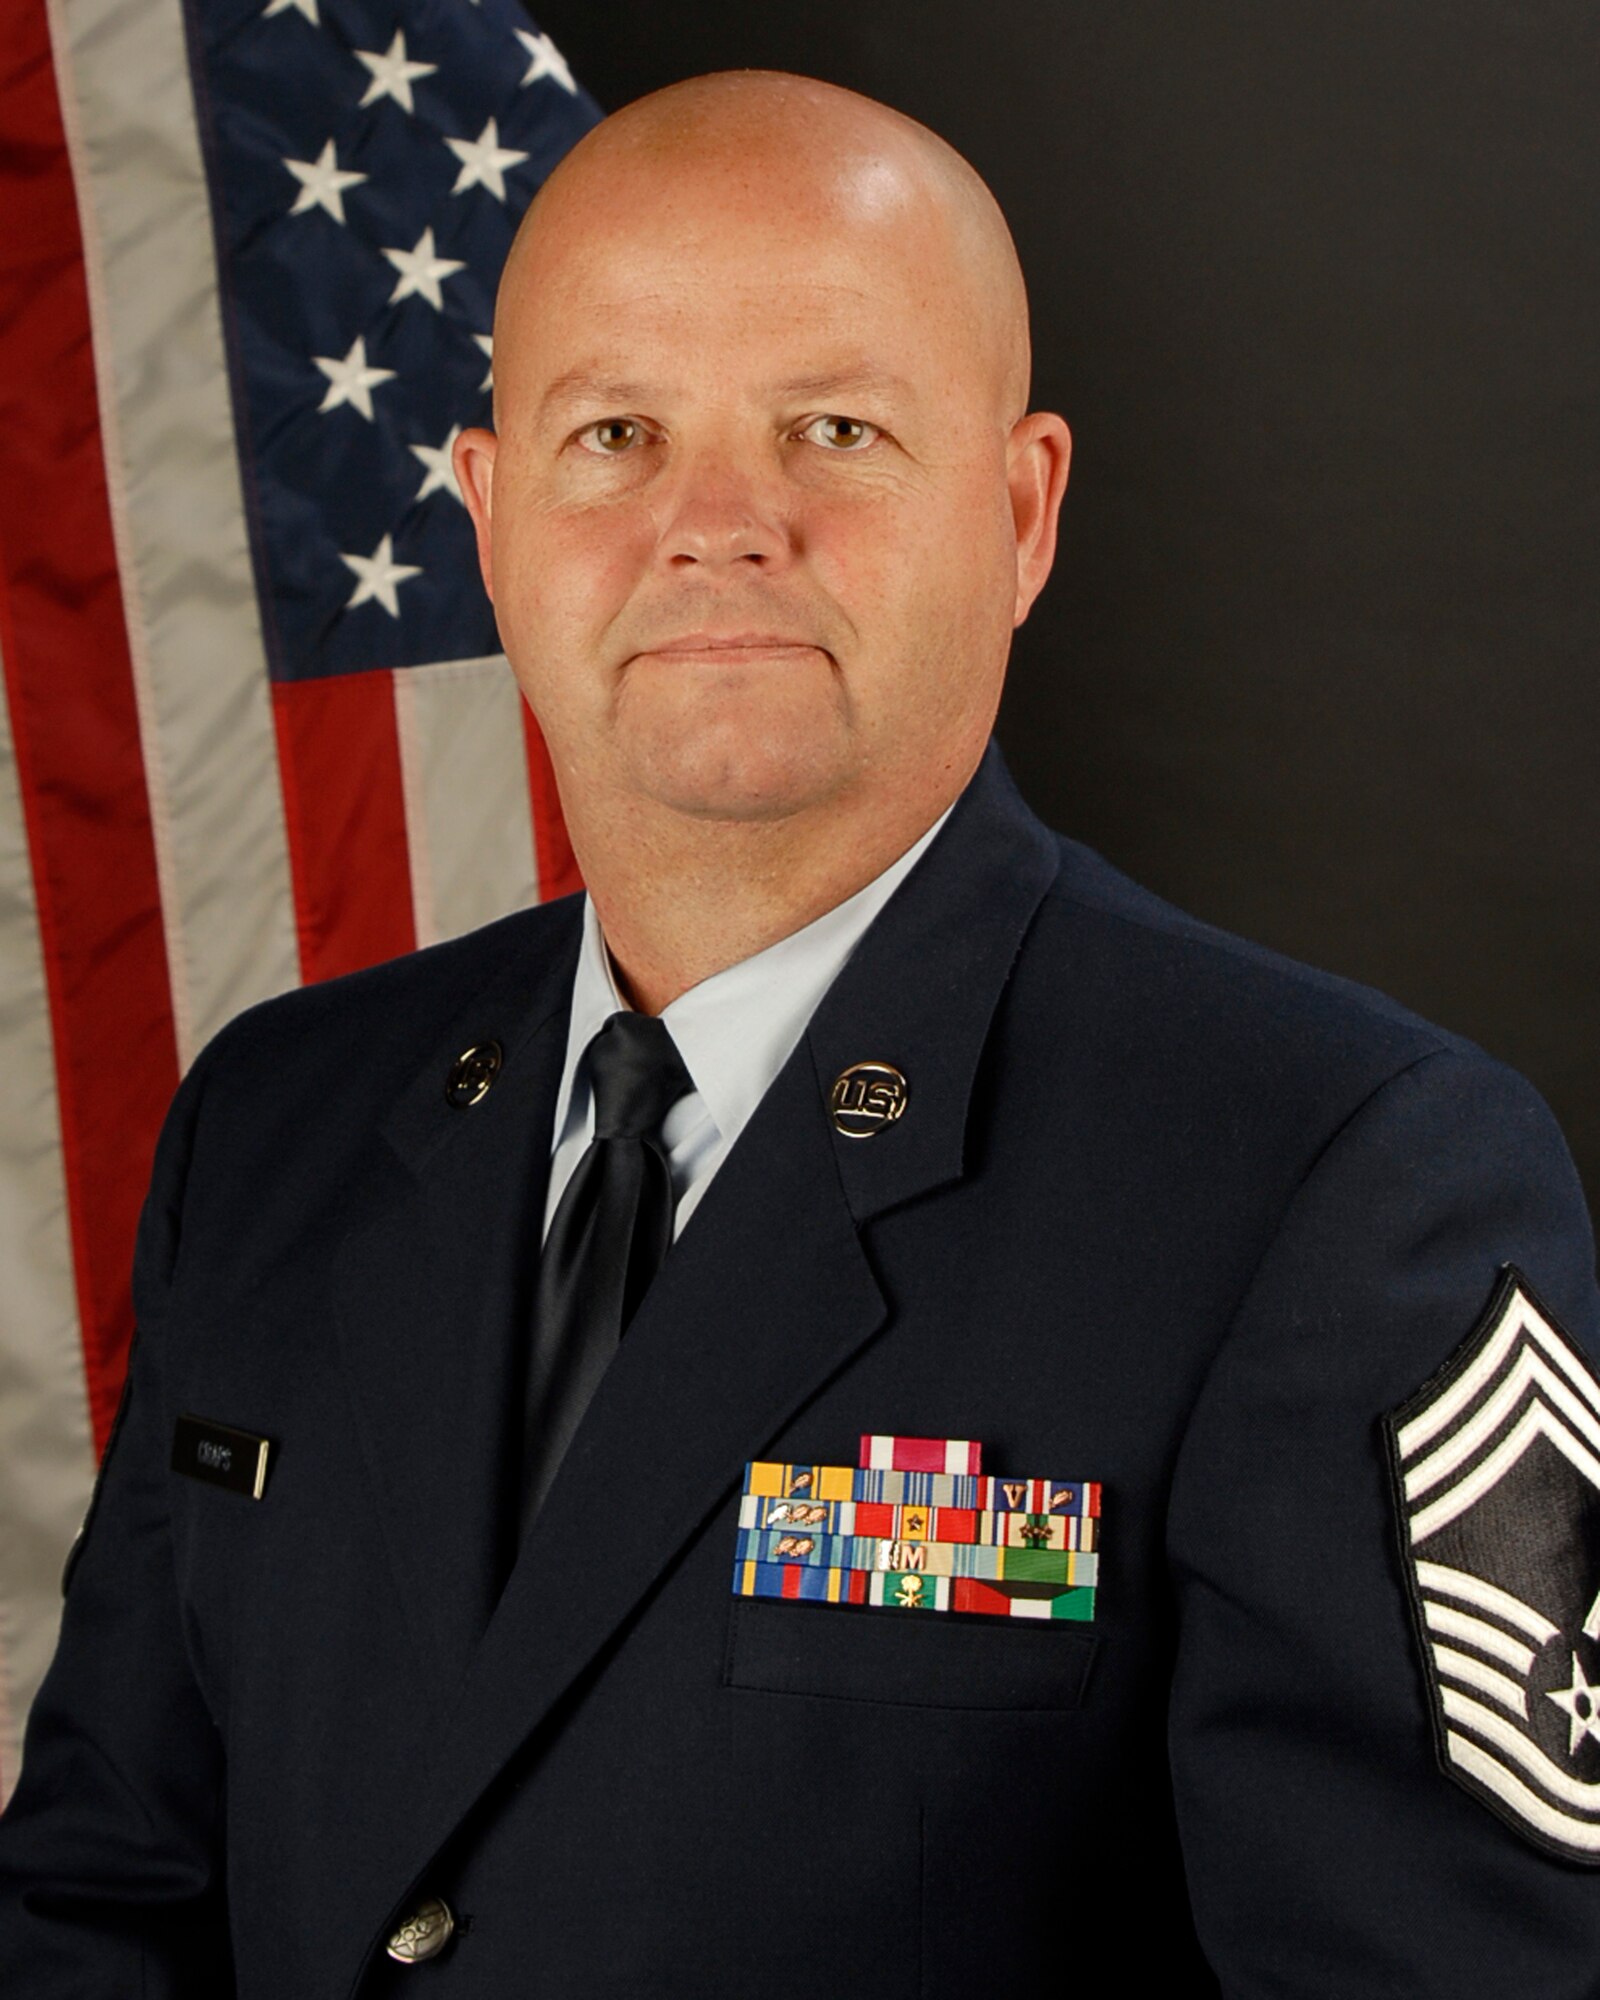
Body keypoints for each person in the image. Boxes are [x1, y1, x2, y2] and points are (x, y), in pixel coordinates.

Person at [2, 67, 1597, 1998]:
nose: (717, 527)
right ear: (493, 524)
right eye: (615, 433)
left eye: (833, 428)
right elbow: (98, 1906)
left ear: (1020, 516)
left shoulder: (1336, 1182)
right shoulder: (276, 1126)